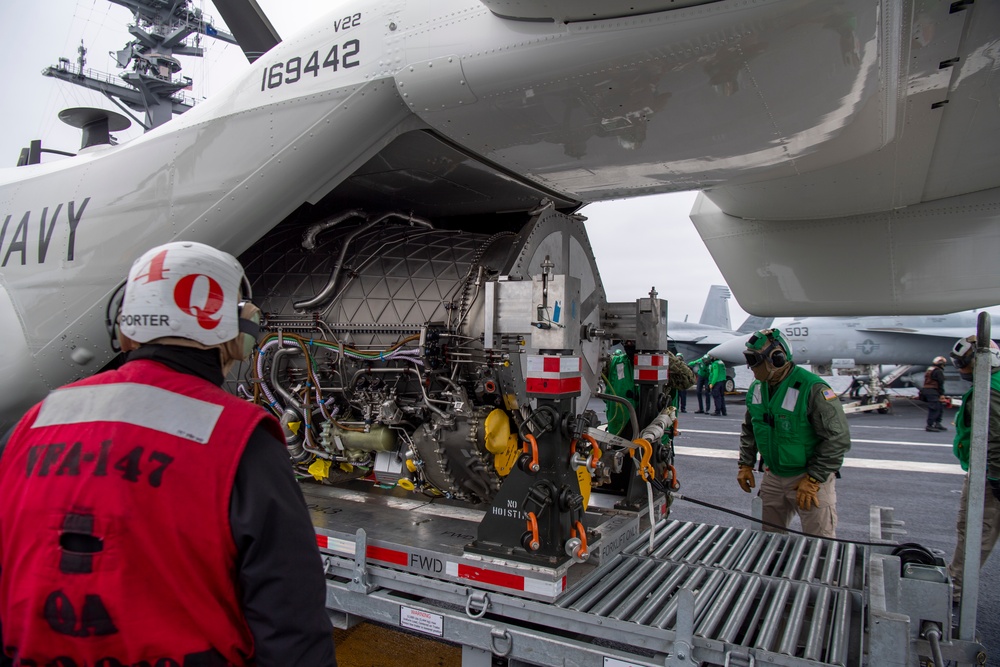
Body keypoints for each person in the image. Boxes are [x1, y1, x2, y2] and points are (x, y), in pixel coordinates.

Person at [0, 242, 337, 666]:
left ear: (123, 329)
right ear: (234, 334)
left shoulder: (33, 424)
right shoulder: (240, 439)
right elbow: (289, 627)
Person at [736, 328, 851, 538]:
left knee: (820, 542)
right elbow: (750, 428)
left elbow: (837, 438)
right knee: (767, 538)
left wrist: (814, 479)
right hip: (773, 475)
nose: (751, 367)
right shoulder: (757, 388)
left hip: (808, 478)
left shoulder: (813, 388)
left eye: (754, 360)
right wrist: (745, 464)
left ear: (777, 358)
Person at [946, 335, 1000, 604]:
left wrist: (995, 477)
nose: (960, 369)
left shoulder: (989, 390)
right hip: (989, 471)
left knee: (976, 530)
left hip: (989, 475)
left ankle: (954, 591)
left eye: (963, 363)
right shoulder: (991, 384)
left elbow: (995, 438)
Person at [922, 356, 949, 432]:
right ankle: (929, 425)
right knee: (935, 408)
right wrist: (942, 394)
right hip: (933, 391)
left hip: (928, 390)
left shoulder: (930, 369)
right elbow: (940, 383)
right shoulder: (938, 371)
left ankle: (937, 423)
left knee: (939, 407)